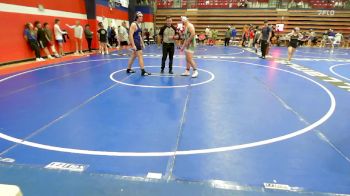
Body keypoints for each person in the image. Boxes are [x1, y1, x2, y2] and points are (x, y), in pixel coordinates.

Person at [126, 11, 151, 76]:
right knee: (140, 56)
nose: (142, 17)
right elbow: (130, 35)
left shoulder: (138, 24)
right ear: (137, 17)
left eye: (142, 16)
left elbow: (139, 35)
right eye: (140, 16)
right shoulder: (133, 24)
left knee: (133, 56)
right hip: (135, 42)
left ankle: (128, 69)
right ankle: (143, 71)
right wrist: (133, 45)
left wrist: (142, 43)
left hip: (137, 41)